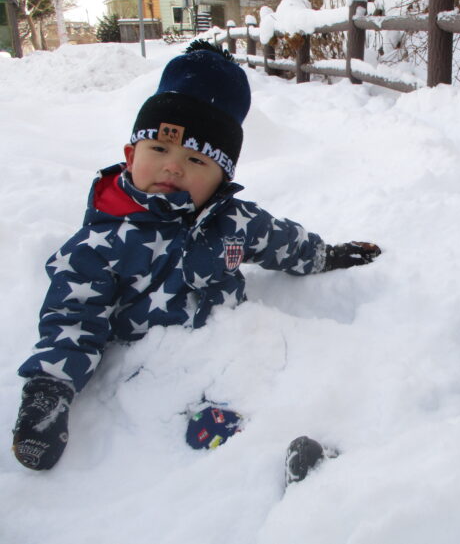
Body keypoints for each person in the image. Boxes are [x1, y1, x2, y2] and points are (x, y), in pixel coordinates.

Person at [12, 40, 381, 471]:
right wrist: (47, 394)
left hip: (236, 347)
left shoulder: (232, 219)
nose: (173, 167)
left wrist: (326, 255)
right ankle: (258, 478)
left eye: (195, 160)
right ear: (131, 155)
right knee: (214, 438)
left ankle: (323, 460)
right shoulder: (101, 244)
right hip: (160, 370)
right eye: (160, 150)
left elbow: (279, 240)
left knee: (296, 384)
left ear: (222, 176)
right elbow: (72, 320)